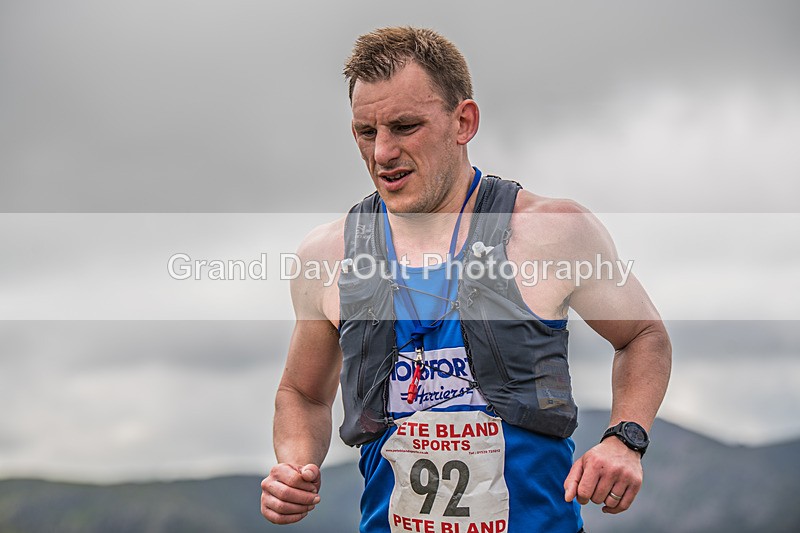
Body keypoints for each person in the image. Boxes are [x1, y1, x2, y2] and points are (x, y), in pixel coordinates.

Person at [261, 26, 671, 533]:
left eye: (405, 126)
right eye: (366, 133)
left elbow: (643, 336)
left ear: (464, 121)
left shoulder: (554, 232)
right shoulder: (327, 254)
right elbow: (302, 393)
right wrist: (294, 465)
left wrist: (625, 438)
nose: (382, 152)